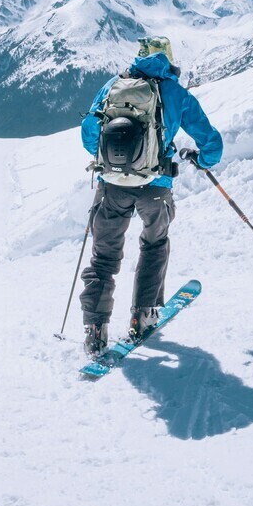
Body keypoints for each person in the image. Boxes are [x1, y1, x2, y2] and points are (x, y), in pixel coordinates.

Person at [79, 35, 223, 357]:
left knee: (103, 257)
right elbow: (212, 142)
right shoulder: (175, 92)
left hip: (111, 186)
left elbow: (89, 133)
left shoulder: (113, 86)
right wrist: (202, 160)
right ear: (168, 60)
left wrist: (112, 163)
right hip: (155, 188)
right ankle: (143, 315)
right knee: (154, 244)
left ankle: (95, 330)